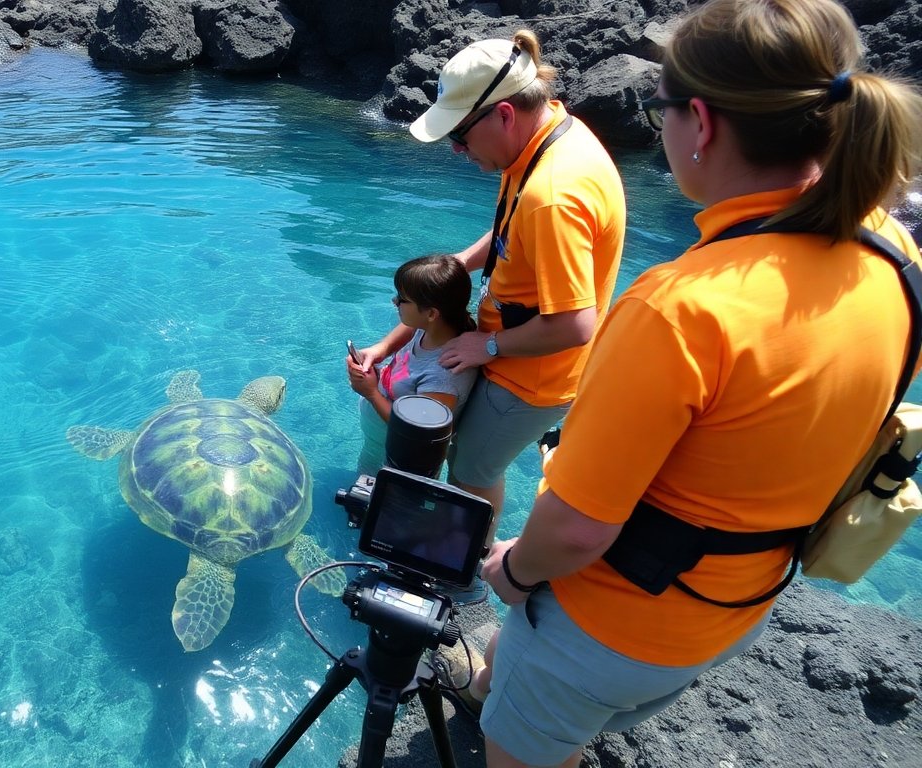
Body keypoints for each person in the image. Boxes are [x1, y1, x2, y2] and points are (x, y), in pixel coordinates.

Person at [461, 2, 922, 766]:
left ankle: (500, 687)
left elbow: (576, 532)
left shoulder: (681, 309)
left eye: (660, 108)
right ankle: (492, 675)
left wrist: (511, 569)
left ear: (699, 123)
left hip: (608, 629)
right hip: (740, 604)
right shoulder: (896, 254)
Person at [360, 28, 626, 520]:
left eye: (460, 135)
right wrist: (457, 267)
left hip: (531, 377)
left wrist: (488, 346)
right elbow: (510, 231)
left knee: (471, 472)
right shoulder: (545, 137)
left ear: (504, 113)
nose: (457, 150)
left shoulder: (554, 193)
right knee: (467, 460)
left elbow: (574, 325)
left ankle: (466, 579)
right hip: (511, 349)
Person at [349, 254, 478, 476]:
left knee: (378, 496)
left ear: (431, 313)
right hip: (379, 441)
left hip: (399, 457)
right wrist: (379, 351)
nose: (395, 302)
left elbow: (415, 433)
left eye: (403, 299)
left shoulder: (444, 376)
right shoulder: (429, 330)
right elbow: (407, 333)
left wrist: (371, 393)